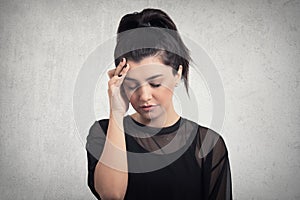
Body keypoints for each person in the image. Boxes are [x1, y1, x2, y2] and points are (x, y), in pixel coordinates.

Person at [86, 8, 232, 200]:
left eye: (155, 83)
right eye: (132, 84)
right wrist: (116, 111)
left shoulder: (207, 145)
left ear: (177, 74)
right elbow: (112, 195)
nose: (145, 96)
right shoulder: (103, 133)